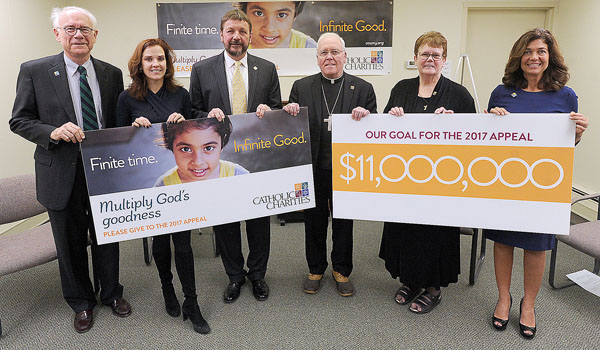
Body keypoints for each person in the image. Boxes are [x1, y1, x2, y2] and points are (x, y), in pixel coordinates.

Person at [9, 6, 131, 333]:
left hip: (103, 171)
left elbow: (116, 124)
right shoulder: (34, 71)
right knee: (69, 241)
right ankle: (81, 302)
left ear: (95, 35)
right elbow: (19, 120)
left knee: (109, 235)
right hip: (60, 172)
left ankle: (112, 293)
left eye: (85, 29)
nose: (78, 34)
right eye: (70, 28)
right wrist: (51, 131)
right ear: (57, 34)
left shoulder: (110, 73)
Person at [486, 28, 588, 339]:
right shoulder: (501, 92)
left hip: (542, 184)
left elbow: (564, 146)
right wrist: (490, 120)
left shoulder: (565, 95)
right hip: (505, 180)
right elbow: (486, 142)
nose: (534, 57)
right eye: (528, 51)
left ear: (550, 57)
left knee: (536, 245)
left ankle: (528, 304)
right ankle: (504, 299)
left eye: (541, 51)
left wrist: (579, 134)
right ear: (519, 57)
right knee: (503, 241)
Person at [115, 38, 210, 334]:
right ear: (139, 64)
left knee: (183, 242)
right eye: (149, 59)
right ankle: (167, 288)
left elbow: (196, 134)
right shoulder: (127, 98)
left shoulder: (180, 95)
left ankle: (191, 302)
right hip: (148, 185)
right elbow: (116, 142)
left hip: (178, 180)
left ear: (168, 63)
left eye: (160, 59)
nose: (155, 64)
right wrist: (133, 130)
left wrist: (185, 122)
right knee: (160, 242)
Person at [378, 31, 475, 314]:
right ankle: (409, 281)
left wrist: (455, 124)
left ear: (444, 60)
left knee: (434, 234)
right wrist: (391, 117)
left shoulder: (459, 94)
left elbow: (475, 140)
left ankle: (433, 288)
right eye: (425, 54)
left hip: (440, 183)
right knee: (406, 230)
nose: (430, 59)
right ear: (415, 58)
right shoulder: (401, 88)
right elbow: (380, 132)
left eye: (436, 55)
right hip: (405, 179)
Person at [189, 9, 282, 303]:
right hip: (219, 160)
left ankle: (257, 275)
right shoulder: (202, 70)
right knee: (226, 220)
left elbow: (277, 109)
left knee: (258, 219)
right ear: (221, 35)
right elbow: (193, 112)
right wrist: (207, 115)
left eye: (242, 31)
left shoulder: (267, 68)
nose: (236, 37)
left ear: (250, 36)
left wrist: (271, 112)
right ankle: (234, 276)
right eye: (230, 31)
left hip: (256, 159)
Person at [283, 32, 376, 296]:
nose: (329, 57)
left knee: (344, 221)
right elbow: (291, 129)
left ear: (345, 56)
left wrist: (367, 117)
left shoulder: (363, 89)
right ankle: (315, 268)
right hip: (312, 167)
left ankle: (342, 269)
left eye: (335, 51)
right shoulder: (302, 87)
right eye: (324, 52)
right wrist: (289, 112)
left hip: (347, 170)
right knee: (314, 220)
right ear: (317, 59)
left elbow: (374, 132)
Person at [156, 116, 249, 185]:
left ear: (222, 145)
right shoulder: (164, 185)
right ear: (171, 146)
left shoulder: (239, 176)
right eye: (186, 149)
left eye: (208, 148)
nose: (198, 162)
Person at [236, 1, 316, 48]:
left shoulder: (308, 46)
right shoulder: (234, 46)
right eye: (259, 13)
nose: (269, 29)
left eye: (281, 15)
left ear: (295, 14)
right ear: (244, 13)